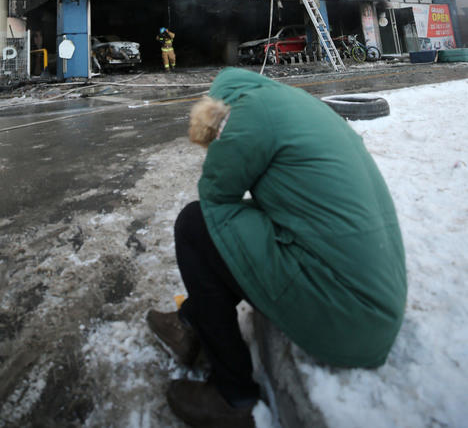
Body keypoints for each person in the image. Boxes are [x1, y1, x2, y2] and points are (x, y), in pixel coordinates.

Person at [147, 67, 407, 428]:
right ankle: (192, 322)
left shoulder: (249, 112)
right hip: (371, 302)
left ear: (220, 106)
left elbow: (215, 197)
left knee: (195, 226)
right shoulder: (295, 103)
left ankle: (232, 395)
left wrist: (218, 141)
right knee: (239, 224)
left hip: (345, 313)